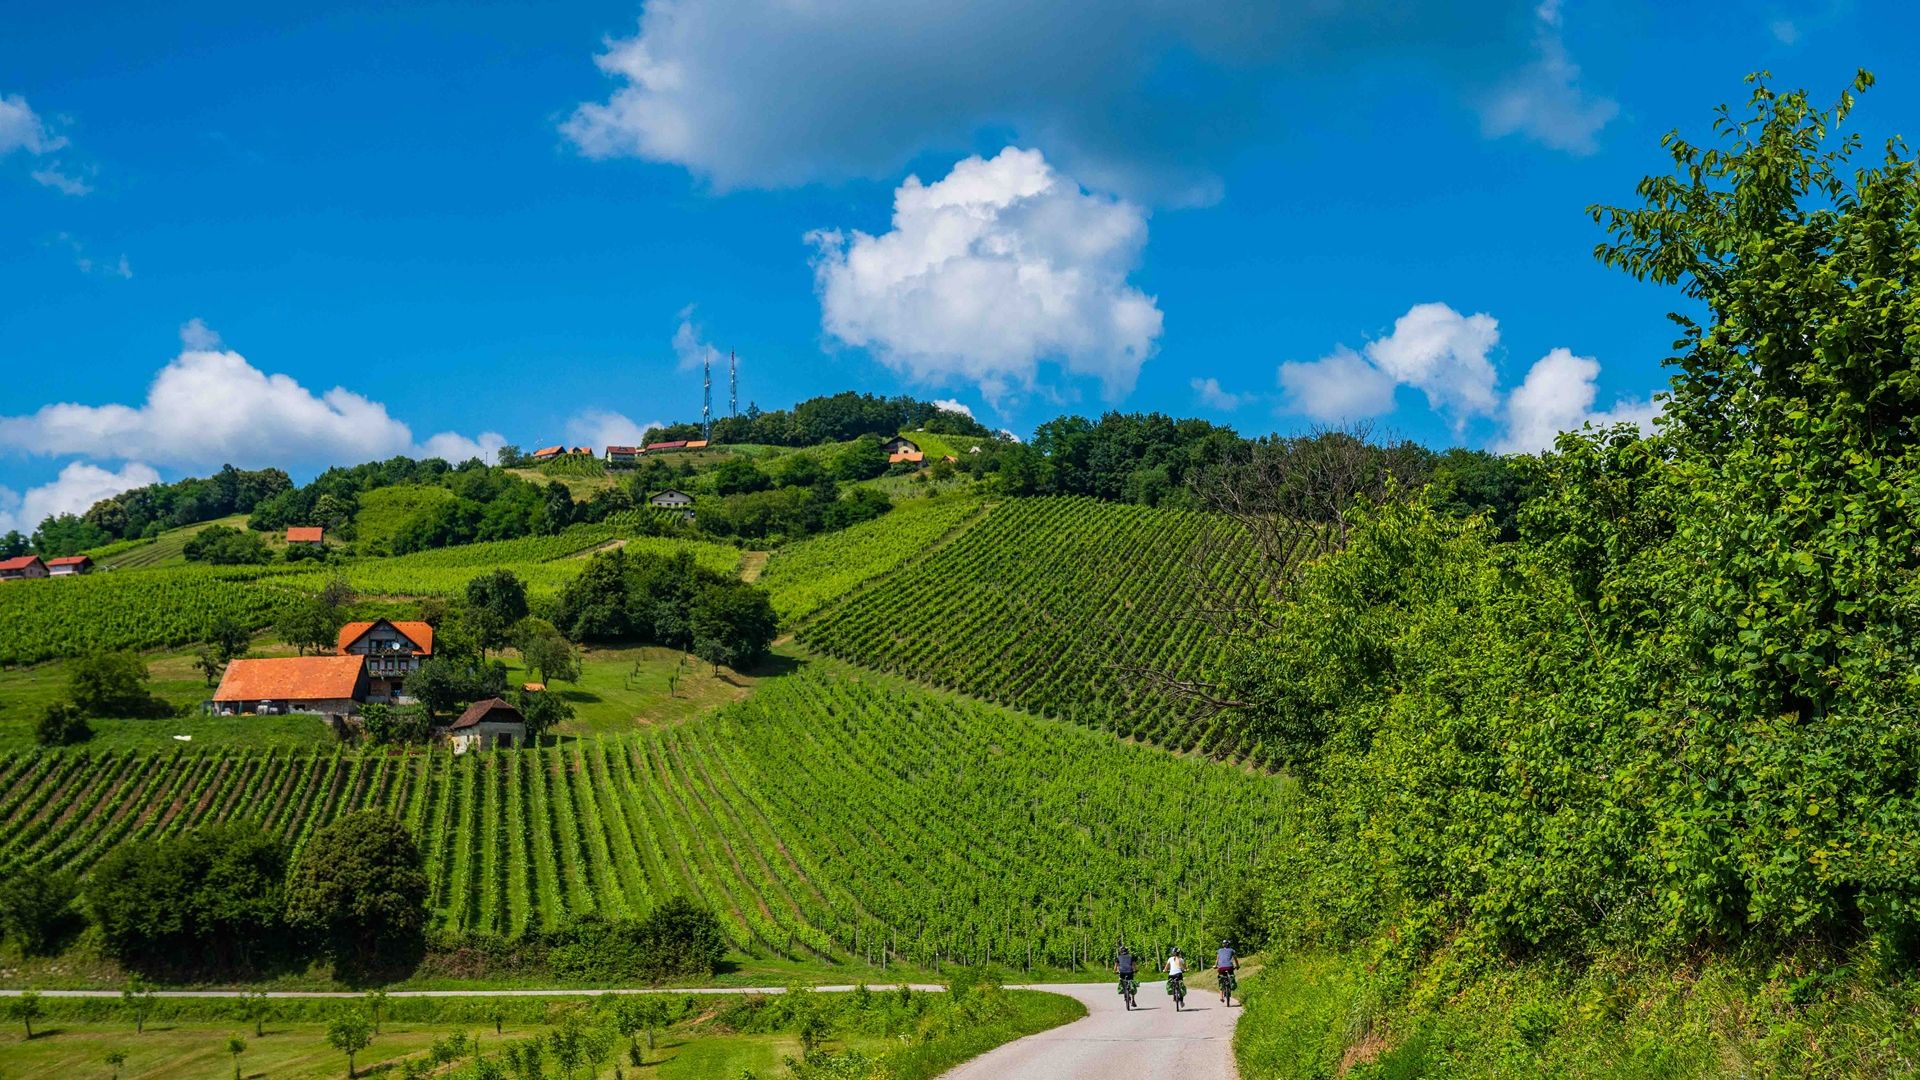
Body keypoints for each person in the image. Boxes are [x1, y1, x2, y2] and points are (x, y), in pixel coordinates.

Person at [1216, 939, 1238, 1004]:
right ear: (1229, 944)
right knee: (1231, 975)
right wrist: (1237, 966)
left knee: (1221, 980)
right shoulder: (1232, 950)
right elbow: (1235, 959)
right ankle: (1231, 985)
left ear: (1223, 944)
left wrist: (1215, 966)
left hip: (1221, 968)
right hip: (1230, 967)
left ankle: (1221, 997)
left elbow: (1217, 959)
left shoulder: (1219, 950)